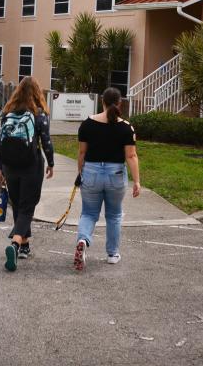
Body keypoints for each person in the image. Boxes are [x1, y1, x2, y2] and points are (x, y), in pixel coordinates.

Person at [73, 87, 140, 271]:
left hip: (91, 172)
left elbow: (82, 153)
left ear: (101, 101)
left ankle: (83, 240)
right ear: (119, 103)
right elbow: (131, 156)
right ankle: (112, 254)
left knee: (88, 213)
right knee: (114, 215)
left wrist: (81, 173)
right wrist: (137, 181)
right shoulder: (126, 127)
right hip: (115, 174)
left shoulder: (87, 124)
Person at [0, 76, 54, 272]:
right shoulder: (39, 114)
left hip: (10, 166)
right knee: (28, 207)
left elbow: (1, 142)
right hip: (31, 165)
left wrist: (1, 168)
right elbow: (46, 141)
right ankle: (15, 243)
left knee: (18, 205)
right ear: (37, 92)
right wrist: (51, 163)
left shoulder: (7, 112)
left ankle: (24, 246)